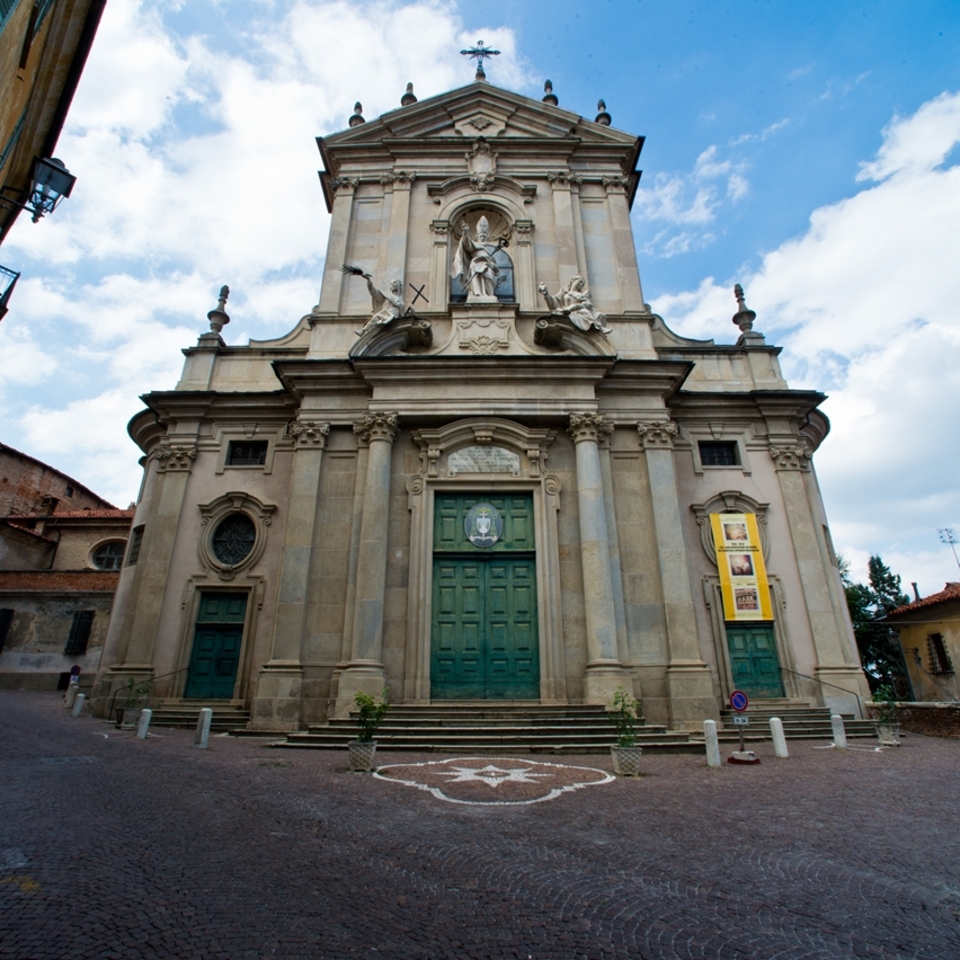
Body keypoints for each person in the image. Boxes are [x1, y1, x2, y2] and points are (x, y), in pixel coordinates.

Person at [451, 216, 499, 300]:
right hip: (475, 264)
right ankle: (477, 294)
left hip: (487, 265)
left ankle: (488, 293)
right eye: (481, 236)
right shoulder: (474, 245)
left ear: (487, 237)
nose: (483, 238)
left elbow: (495, 267)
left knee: (489, 275)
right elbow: (466, 243)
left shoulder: (488, 251)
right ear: (477, 237)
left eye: (484, 236)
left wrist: (492, 265)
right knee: (475, 273)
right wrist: (465, 232)